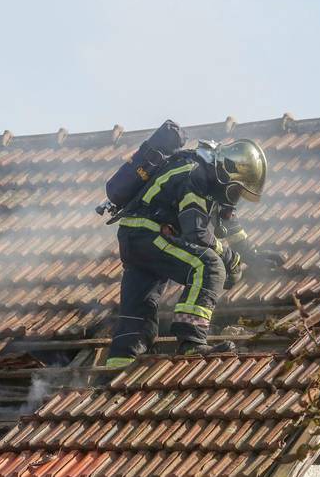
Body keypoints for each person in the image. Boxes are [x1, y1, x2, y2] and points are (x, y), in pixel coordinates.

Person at [105, 137, 281, 367]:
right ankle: (192, 341)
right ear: (228, 172)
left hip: (135, 237)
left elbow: (229, 226)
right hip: (148, 234)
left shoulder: (211, 176)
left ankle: (116, 368)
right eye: (237, 188)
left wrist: (252, 256)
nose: (236, 196)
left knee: (140, 307)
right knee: (209, 266)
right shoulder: (196, 175)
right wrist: (229, 259)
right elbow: (196, 233)